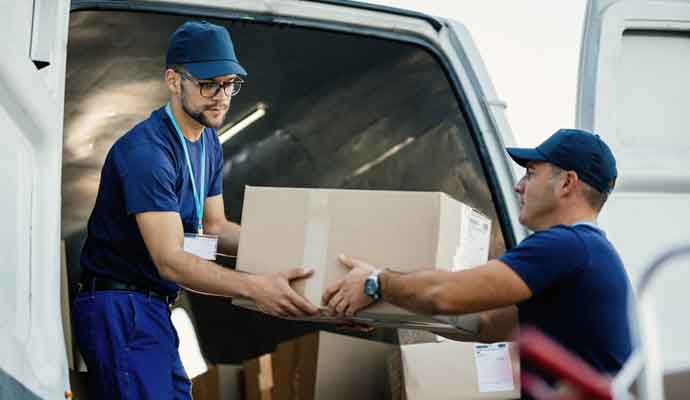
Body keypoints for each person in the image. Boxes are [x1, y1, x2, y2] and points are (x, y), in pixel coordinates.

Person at [73, 21, 318, 399]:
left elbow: (216, 227)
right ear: (173, 80)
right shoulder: (147, 153)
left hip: (154, 307)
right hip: (121, 307)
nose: (221, 96)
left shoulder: (208, 144)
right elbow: (170, 259)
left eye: (229, 83)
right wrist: (255, 286)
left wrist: (293, 252)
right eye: (208, 84)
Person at [323, 128, 632, 382]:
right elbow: (484, 325)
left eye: (531, 174)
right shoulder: (587, 252)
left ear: (566, 183)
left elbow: (444, 295)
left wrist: (375, 282)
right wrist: (381, 310)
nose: (518, 185)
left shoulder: (566, 245)